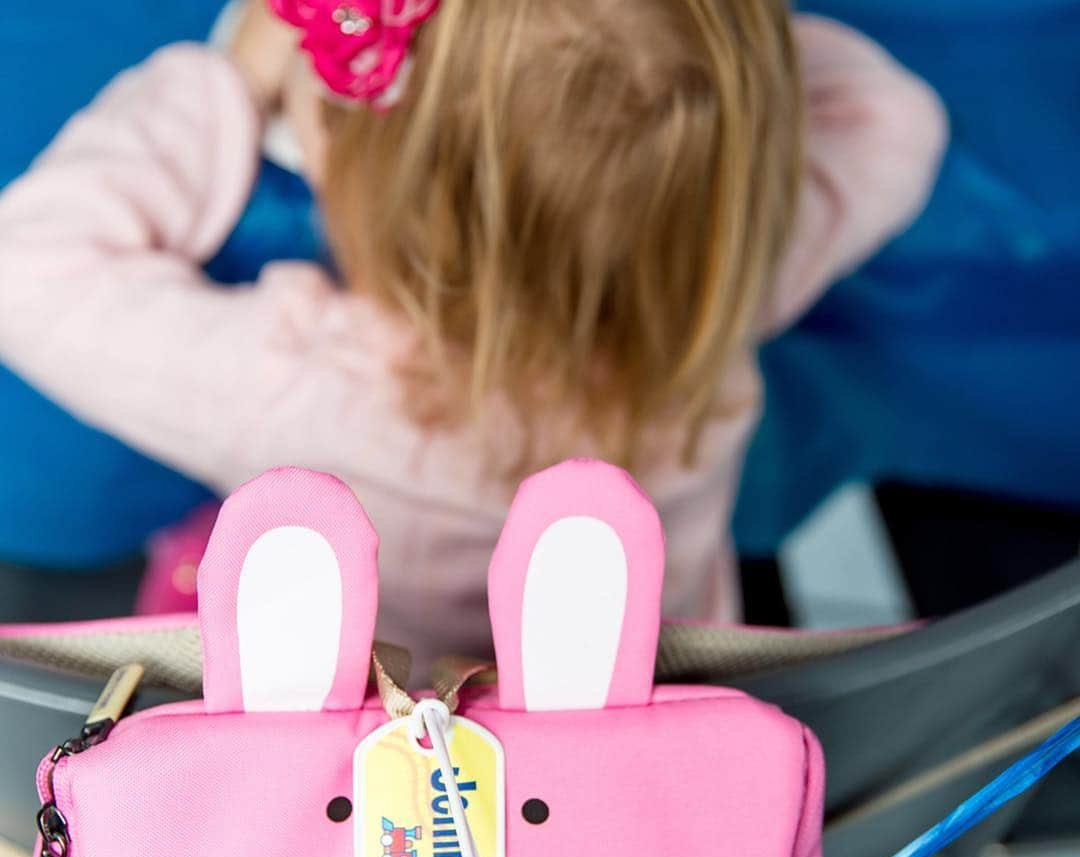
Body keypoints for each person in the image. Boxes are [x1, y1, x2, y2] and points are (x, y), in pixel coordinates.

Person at [0, 0, 946, 676]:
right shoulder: (718, 297)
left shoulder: (301, 382)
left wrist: (231, 80)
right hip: (630, 738)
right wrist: (700, 70)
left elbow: (26, 264)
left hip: (361, 780)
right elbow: (896, 116)